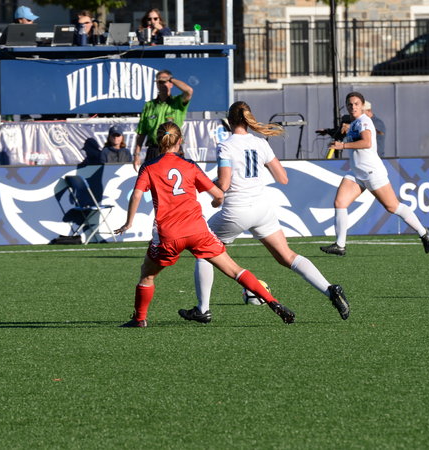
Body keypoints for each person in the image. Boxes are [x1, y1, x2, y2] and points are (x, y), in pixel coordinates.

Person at [179, 101, 350, 324]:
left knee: (203, 251)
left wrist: (211, 188)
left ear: (229, 121)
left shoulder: (226, 145)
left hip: (237, 210)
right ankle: (330, 289)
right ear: (248, 119)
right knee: (287, 256)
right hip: (262, 210)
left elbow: (225, 183)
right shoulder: (260, 143)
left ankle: (203, 309)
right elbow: (283, 178)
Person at [115, 122, 296, 328]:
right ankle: (273, 302)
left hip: (169, 235)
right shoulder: (190, 165)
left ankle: (139, 319)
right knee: (235, 270)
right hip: (198, 231)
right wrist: (217, 201)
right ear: (180, 140)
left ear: (158, 141)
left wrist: (128, 222)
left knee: (147, 275)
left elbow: (136, 195)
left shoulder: (149, 167)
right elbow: (218, 194)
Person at [320, 91, 429, 256]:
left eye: (356, 104)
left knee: (392, 206)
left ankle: (423, 232)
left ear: (362, 106)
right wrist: (335, 132)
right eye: (350, 104)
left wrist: (342, 146)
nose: (353, 107)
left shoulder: (364, 121)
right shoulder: (352, 122)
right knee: (340, 203)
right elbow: (347, 135)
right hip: (356, 172)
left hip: (371, 171)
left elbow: (366, 142)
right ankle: (340, 245)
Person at [133, 69, 193, 171]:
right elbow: (141, 132)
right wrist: (136, 154)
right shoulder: (149, 105)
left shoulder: (177, 102)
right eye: (159, 82)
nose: (162, 84)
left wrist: (170, 79)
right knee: (152, 179)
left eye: (165, 81)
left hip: (173, 148)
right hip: (154, 149)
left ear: (171, 84)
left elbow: (189, 91)